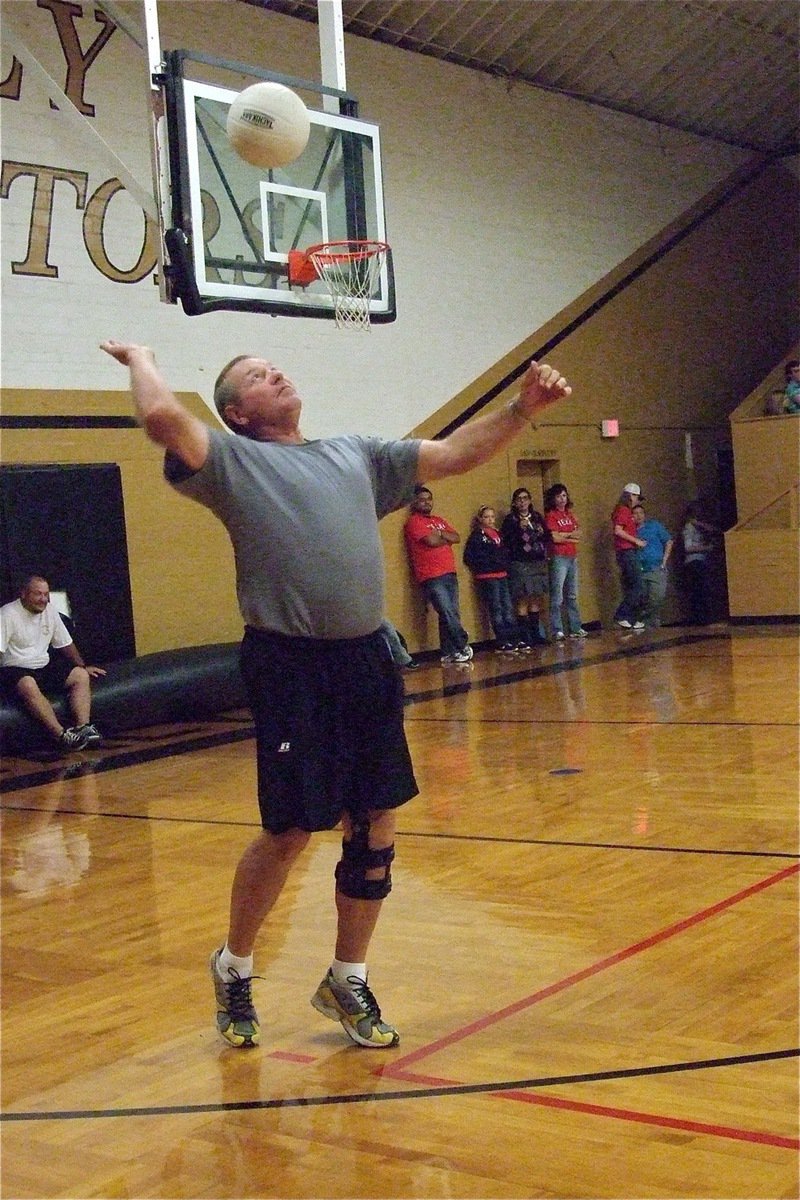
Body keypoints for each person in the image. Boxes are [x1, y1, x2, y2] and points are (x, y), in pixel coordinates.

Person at [100, 339, 571, 1052]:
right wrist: (141, 356)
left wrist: (522, 410)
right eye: (258, 376)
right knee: (290, 829)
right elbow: (163, 417)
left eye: (274, 365)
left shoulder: (355, 454)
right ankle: (234, 965)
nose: (276, 372)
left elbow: (452, 456)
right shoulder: (228, 463)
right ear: (237, 413)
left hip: (366, 661)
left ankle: (346, 976)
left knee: (376, 822)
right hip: (289, 666)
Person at [0, 574, 106, 751]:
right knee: (27, 684)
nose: (43, 599)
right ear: (24, 594)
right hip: (14, 668)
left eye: (45, 594)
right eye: (38, 594)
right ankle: (61, 735)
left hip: (42, 666)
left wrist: (82, 666)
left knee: (79, 675)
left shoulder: (50, 611)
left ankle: (83, 727)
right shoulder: (6, 615)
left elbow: (66, 644)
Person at [404, 485, 472, 666]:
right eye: (422, 499)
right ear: (414, 502)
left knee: (450, 613)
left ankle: (449, 652)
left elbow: (456, 537)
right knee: (446, 610)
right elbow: (430, 541)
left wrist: (441, 533)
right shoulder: (414, 522)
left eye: (429, 498)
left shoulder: (439, 520)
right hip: (431, 575)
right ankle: (462, 642)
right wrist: (444, 539)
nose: (426, 502)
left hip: (449, 572)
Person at [462, 505, 520, 653]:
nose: (490, 520)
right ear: (480, 519)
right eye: (486, 517)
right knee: (496, 608)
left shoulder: (498, 534)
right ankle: (502, 640)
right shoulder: (477, 536)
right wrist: (484, 566)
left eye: (492, 517)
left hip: (502, 574)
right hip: (488, 576)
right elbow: (469, 556)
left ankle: (513, 638)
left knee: (507, 606)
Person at [500, 487, 551, 647]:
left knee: (535, 597)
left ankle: (536, 635)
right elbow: (506, 541)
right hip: (520, 562)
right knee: (522, 597)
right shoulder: (510, 520)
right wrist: (518, 529)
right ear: (515, 503)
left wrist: (541, 532)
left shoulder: (536, 517)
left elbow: (547, 536)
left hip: (536, 561)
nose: (522, 502)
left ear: (529, 500)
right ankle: (524, 636)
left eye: (525, 498)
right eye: (519, 499)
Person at [543, 483, 586, 641]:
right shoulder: (551, 516)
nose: (562, 499)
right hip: (558, 557)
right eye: (558, 496)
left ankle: (575, 627)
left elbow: (579, 534)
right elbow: (554, 537)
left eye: (564, 496)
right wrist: (569, 535)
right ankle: (557, 629)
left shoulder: (570, 515)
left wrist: (565, 535)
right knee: (557, 595)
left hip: (572, 556)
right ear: (553, 499)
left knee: (572, 594)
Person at [611, 483, 646, 630]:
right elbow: (618, 530)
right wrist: (635, 541)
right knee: (638, 585)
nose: (637, 501)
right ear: (631, 496)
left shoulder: (625, 511)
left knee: (632, 585)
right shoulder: (623, 511)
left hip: (628, 551)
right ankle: (621, 615)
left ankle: (631, 619)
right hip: (626, 551)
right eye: (637, 497)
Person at [631, 503, 673, 627]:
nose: (638, 516)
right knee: (643, 599)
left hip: (656, 567)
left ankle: (645, 621)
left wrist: (664, 561)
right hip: (640, 569)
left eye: (641, 513)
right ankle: (650, 626)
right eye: (635, 513)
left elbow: (668, 541)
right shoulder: (631, 531)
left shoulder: (654, 526)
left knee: (657, 597)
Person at [681, 501, 718, 626]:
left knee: (704, 590)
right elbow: (688, 547)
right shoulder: (689, 527)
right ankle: (702, 620)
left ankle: (704, 619)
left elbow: (712, 529)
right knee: (700, 590)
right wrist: (705, 548)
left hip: (701, 560)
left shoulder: (698, 525)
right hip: (694, 561)